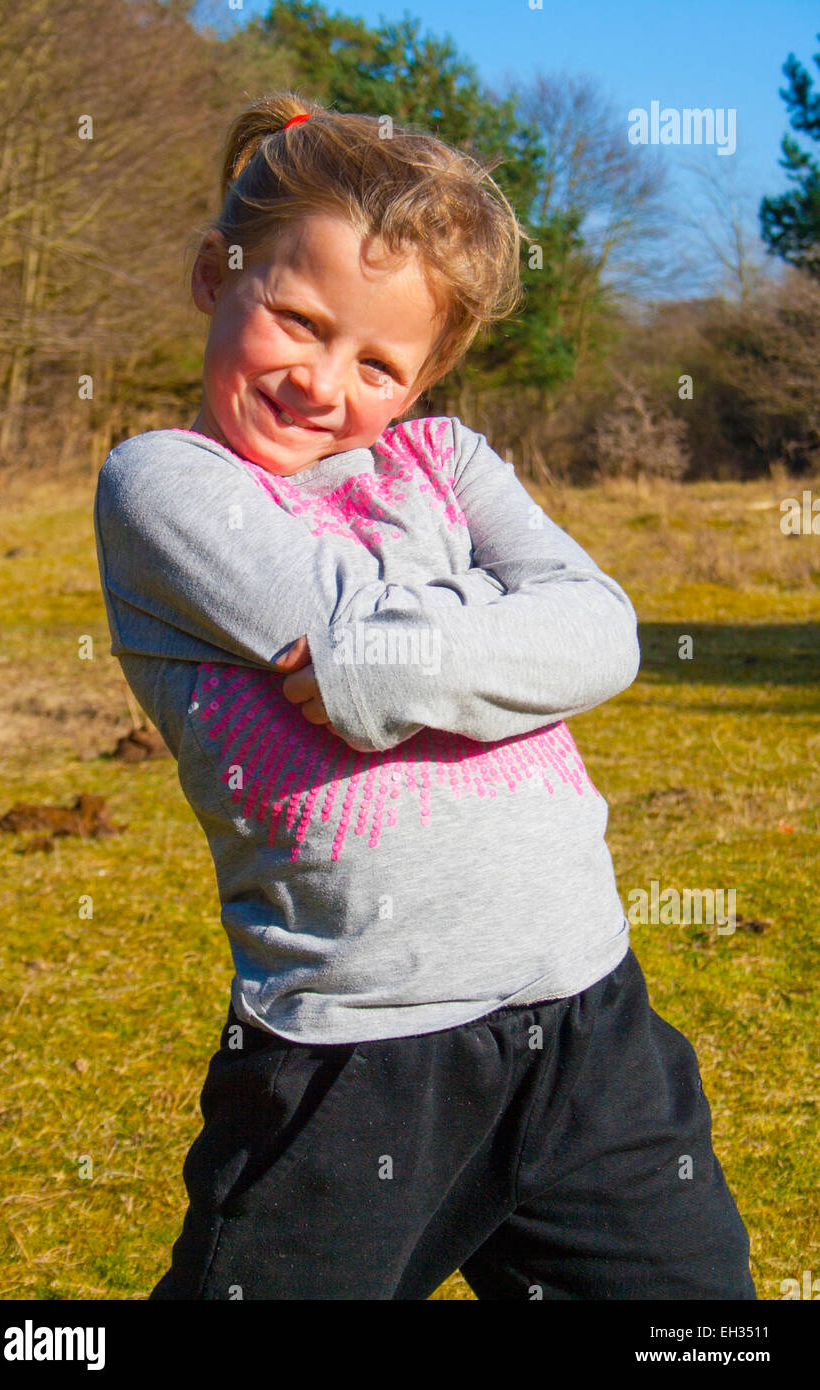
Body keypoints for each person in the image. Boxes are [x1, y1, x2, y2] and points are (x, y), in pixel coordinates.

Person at [93, 92, 755, 1300]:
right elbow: (367, 624)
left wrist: (381, 676)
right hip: (355, 1057)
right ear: (212, 275)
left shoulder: (446, 459)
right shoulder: (163, 486)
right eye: (295, 318)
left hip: (589, 1022)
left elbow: (600, 634)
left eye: (379, 362)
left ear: (427, 373)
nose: (321, 380)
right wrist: (495, 641)